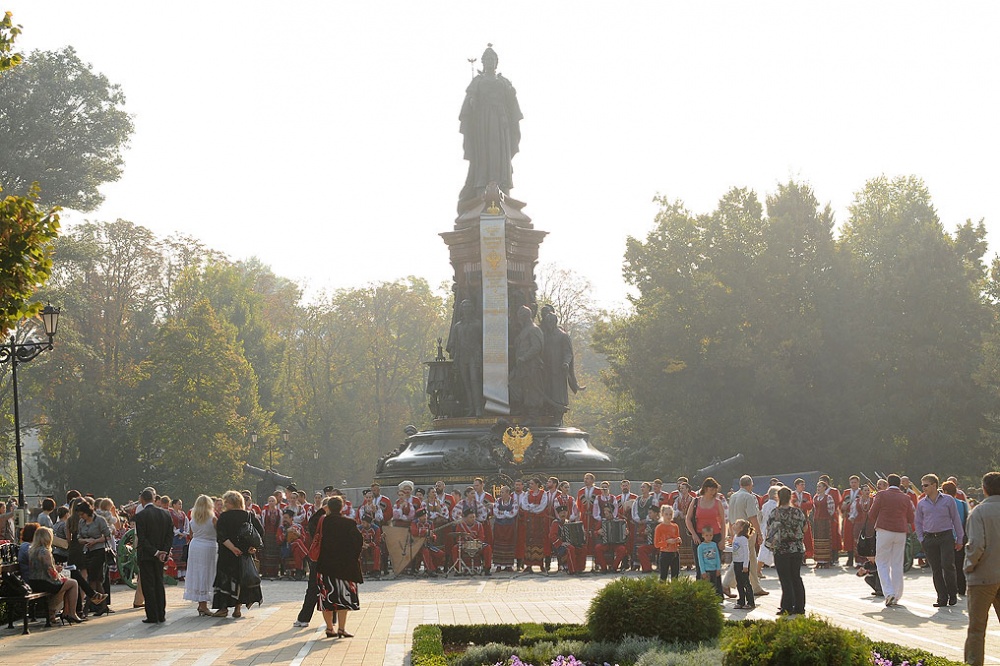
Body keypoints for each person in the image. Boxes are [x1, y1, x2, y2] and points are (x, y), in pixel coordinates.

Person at [458, 43, 523, 201]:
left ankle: (503, 187)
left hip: (501, 124)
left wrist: (512, 94)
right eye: (486, 59)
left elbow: (512, 104)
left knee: (501, 156)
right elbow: (469, 102)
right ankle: (482, 187)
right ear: (482, 62)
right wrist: (472, 101)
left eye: (492, 59)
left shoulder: (504, 82)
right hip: (482, 124)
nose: (489, 61)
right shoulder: (477, 82)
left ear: (496, 62)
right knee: (484, 155)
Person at [314, 495, 363, 639]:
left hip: (325, 567)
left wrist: (322, 511)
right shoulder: (349, 523)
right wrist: (353, 557)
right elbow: (358, 542)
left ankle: (329, 628)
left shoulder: (322, 522)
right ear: (342, 507)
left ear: (328, 507)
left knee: (327, 599)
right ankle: (341, 628)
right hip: (345, 568)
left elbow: (311, 525)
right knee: (344, 598)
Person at [964, 471, 1000, 666]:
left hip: (983, 577)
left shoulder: (979, 511)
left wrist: (969, 565)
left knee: (977, 629)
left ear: (984, 489)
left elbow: (977, 544)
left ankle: (973, 663)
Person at [211, 490, 264, 618]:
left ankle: (223, 608)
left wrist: (233, 548)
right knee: (241, 580)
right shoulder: (249, 515)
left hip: (227, 554)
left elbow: (222, 536)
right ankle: (237, 608)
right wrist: (253, 547)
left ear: (230, 503)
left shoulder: (224, 516)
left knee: (225, 580)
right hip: (244, 553)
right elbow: (260, 531)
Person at [915, 473, 964, 607]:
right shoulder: (921, 503)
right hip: (929, 538)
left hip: (946, 537)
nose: (923, 488)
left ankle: (952, 594)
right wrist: (921, 538)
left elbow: (956, 519)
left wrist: (960, 538)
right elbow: (918, 522)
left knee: (948, 566)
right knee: (936, 569)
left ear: (934, 485)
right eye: (922, 485)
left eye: (926, 485)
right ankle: (941, 597)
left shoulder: (948, 500)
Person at [867, 473, 915, 607]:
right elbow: (911, 518)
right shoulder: (906, 497)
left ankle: (889, 593)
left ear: (888, 483)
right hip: (900, 532)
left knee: (882, 562)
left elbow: (871, 514)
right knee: (897, 564)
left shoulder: (881, 495)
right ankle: (897, 594)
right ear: (899, 484)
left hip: (884, 530)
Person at [27, 526, 85, 625]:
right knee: (73, 583)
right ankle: (72, 613)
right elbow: (51, 571)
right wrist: (59, 576)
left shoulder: (32, 551)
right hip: (45, 582)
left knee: (66, 584)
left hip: (34, 582)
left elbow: (40, 568)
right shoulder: (45, 552)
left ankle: (64, 612)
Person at [132, 487, 173, 624]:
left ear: (142, 500)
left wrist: (155, 552)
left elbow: (142, 539)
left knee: (148, 585)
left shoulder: (141, 516)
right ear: (154, 499)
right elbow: (169, 535)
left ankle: (152, 615)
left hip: (147, 555)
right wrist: (164, 551)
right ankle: (161, 614)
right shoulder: (166, 514)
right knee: (159, 583)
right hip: (161, 555)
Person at [767, 486, 806, 615]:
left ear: (778, 497)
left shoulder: (774, 513)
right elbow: (805, 527)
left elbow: (770, 530)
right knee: (796, 577)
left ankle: (787, 606)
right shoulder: (798, 512)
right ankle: (799, 607)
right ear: (791, 497)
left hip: (781, 549)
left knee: (785, 578)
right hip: (797, 548)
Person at [727, 475, 768, 596]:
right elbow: (752, 517)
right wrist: (759, 533)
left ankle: (756, 586)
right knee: (743, 558)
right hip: (747, 531)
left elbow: (729, 517)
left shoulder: (733, 496)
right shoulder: (749, 497)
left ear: (740, 484)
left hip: (736, 530)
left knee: (751, 559)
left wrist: (731, 533)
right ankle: (726, 583)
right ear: (751, 484)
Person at [446, 299, 484, 417]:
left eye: (468, 307)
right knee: (466, 384)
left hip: (474, 356)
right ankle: (471, 408)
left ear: (472, 309)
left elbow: (483, 341)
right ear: (461, 310)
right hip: (463, 357)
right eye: (464, 307)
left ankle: (478, 409)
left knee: (475, 382)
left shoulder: (478, 324)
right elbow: (454, 342)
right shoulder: (458, 326)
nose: (466, 309)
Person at [684, 477, 727, 579]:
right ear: (705, 488)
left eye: (715, 490)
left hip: (715, 536)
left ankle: (716, 591)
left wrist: (723, 539)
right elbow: (688, 519)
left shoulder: (718, 502)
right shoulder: (696, 501)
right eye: (711, 489)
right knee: (700, 566)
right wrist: (694, 534)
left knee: (715, 566)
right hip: (699, 536)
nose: (713, 492)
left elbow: (723, 521)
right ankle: (700, 590)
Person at [76, 501, 112, 615]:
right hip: (87, 551)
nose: (81, 517)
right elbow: (78, 537)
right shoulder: (81, 522)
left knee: (91, 579)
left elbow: (108, 536)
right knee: (96, 580)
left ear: (88, 512)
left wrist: (95, 541)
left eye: (83, 514)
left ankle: (86, 608)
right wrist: (86, 541)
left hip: (99, 551)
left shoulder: (99, 520)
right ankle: (103, 606)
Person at [184, 494, 218, 617]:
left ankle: (201, 603)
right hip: (208, 546)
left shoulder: (193, 519)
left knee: (197, 573)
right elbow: (219, 532)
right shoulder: (212, 519)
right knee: (206, 573)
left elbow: (191, 533)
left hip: (195, 546)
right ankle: (203, 605)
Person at [941, 480, 969, 595]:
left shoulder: (943, 504)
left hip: (946, 537)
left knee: (947, 565)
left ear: (945, 492)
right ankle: (961, 588)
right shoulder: (963, 504)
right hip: (961, 537)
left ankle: (949, 589)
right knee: (959, 564)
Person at [519, 477, 549, 573]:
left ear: (537, 484)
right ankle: (528, 565)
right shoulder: (527, 494)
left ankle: (540, 564)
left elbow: (543, 505)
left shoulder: (543, 493)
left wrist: (534, 509)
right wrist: (531, 507)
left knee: (539, 541)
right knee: (529, 542)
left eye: (532, 484)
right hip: (529, 521)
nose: (530, 485)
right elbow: (523, 504)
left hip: (539, 521)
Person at [492, 485, 518, 572]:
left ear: (508, 493)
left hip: (509, 527)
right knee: (498, 544)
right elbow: (496, 512)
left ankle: (508, 565)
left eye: (502, 492)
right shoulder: (497, 501)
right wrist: (506, 513)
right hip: (499, 527)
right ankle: (498, 565)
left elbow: (513, 513)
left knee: (509, 544)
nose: (501, 494)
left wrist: (503, 513)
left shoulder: (514, 502)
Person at [811, 480, 837, 569]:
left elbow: (831, 510)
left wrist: (827, 517)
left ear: (824, 488)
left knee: (826, 540)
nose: (818, 488)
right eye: (817, 487)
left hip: (825, 521)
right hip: (817, 521)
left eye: (820, 487)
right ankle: (819, 561)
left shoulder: (828, 497)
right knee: (818, 540)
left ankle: (826, 561)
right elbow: (814, 509)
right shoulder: (815, 497)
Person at [549, 505, 582, 575]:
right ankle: (572, 570)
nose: (563, 514)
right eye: (561, 513)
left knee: (582, 548)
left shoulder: (568, 522)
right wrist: (561, 543)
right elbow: (552, 536)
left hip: (567, 544)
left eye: (564, 512)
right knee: (570, 548)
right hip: (558, 546)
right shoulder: (555, 523)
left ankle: (579, 568)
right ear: (558, 514)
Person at [731, 519, 755, 610]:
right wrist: (724, 548)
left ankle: (750, 602)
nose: (734, 525)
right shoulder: (736, 537)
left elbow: (746, 552)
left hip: (743, 564)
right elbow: (735, 549)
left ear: (741, 528)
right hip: (736, 563)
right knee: (739, 583)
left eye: (736, 524)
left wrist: (745, 565)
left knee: (746, 583)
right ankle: (741, 601)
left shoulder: (743, 539)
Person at [653, 504, 680, 580]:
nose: (669, 516)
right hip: (665, 553)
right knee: (663, 576)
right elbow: (656, 544)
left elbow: (677, 539)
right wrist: (667, 542)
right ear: (662, 514)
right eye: (666, 514)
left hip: (675, 553)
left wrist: (678, 540)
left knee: (675, 577)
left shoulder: (675, 526)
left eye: (670, 514)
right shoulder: (659, 528)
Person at [697, 526, 723, 598]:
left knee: (714, 586)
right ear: (703, 535)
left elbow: (717, 557)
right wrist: (703, 571)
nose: (709, 537)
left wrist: (718, 568)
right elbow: (700, 560)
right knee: (707, 587)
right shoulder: (701, 547)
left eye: (710, 535)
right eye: (706, 535)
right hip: (706, 569)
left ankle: (714, 600)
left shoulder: (714, 545)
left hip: (714, 569)